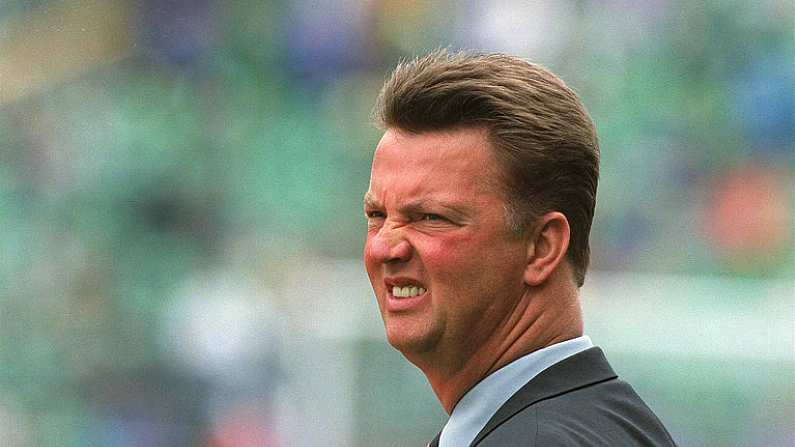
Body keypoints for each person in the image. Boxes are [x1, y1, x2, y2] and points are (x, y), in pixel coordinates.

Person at [362, 50, 678, 447]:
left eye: (431, 218)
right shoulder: (609, 423)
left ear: (542, 248)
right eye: (377, 215)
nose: (385, 248)